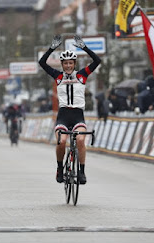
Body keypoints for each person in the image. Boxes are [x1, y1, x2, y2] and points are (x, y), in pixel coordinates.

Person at [39, 34, 101, 184]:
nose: (68, 66)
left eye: (70, 63)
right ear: (62, 64)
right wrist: (52, 48)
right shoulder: (58, 76)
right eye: (65, 63)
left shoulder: (82, 75)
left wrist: (84, 47)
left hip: (78, 115)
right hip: (63, 116)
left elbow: (97, 61)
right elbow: (42, 62)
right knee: (62, 141)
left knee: (80, 140)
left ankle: (82, 172)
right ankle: (60, 168)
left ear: (74, 63)